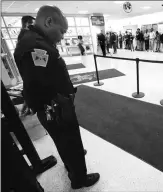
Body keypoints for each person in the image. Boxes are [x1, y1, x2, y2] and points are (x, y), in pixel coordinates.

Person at [13, 5, 100, 189]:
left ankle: (72, 164)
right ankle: (79, 179)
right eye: (62, 31)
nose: (62, 36)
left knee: (65, 143)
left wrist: (29, 98)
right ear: (49, 21)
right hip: (56, 109)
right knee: (70, 141)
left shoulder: (32, 40)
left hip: (53, 108)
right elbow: (37, 83)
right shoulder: (35, 46)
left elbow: (32, 80)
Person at [17, 16, 36, 117]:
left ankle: (27, 108)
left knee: (29, 89)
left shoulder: (23, 35)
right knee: (31, 88)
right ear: (27, 23)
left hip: (27, 68)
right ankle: (29, 108)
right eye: (32, 23)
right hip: (29, 68)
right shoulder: (26, 35)